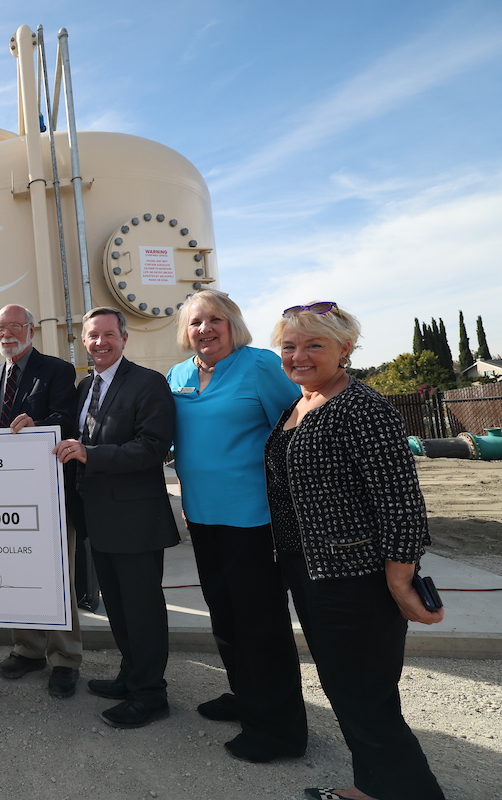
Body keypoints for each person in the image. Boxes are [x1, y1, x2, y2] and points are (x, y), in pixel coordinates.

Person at [266, 302, 445, 800]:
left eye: (313, 345)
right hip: (312, 572)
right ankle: (372, 787)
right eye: (289, 346)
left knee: (365, 697)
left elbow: (401, 503)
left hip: (355, 578)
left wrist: (399, 580)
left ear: (345, 349)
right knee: (348, 690)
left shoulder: (363, 408)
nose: (298, 355)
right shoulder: (300, 404)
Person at [165, 291, 307, 762]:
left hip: (254, 520)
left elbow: (295, 432)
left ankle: (280, 730)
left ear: (233, 324)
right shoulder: (179, 375)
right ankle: (246, 697)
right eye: (195, 322)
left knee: (260, 622)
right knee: (224, 615)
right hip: (203, 518)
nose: (204, 329)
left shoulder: (260, 366)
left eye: (214, 320)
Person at [54, 307, 178, 729]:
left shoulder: (148, 383)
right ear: (83, 341)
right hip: (99, 520)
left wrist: (92, 454)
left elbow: (152, 447)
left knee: (142, 612)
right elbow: (72, 433)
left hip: (136, 522)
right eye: (92, 336)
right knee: (121, 611)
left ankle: (150, 695)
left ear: (124, 338)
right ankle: (131, 676)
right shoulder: (86, 385)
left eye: (109, 335)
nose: (100, 343)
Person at [0, 303, 83, 699]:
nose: (7, 333)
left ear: (31, 330)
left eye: (14, 326)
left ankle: (65, 658)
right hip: (5, 496)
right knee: (17, 573)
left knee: (57, 577)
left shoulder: (56, 370)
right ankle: (28, 648)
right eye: (0, 327)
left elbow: (68, 421)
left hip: (48, 494)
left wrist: (40, 426)